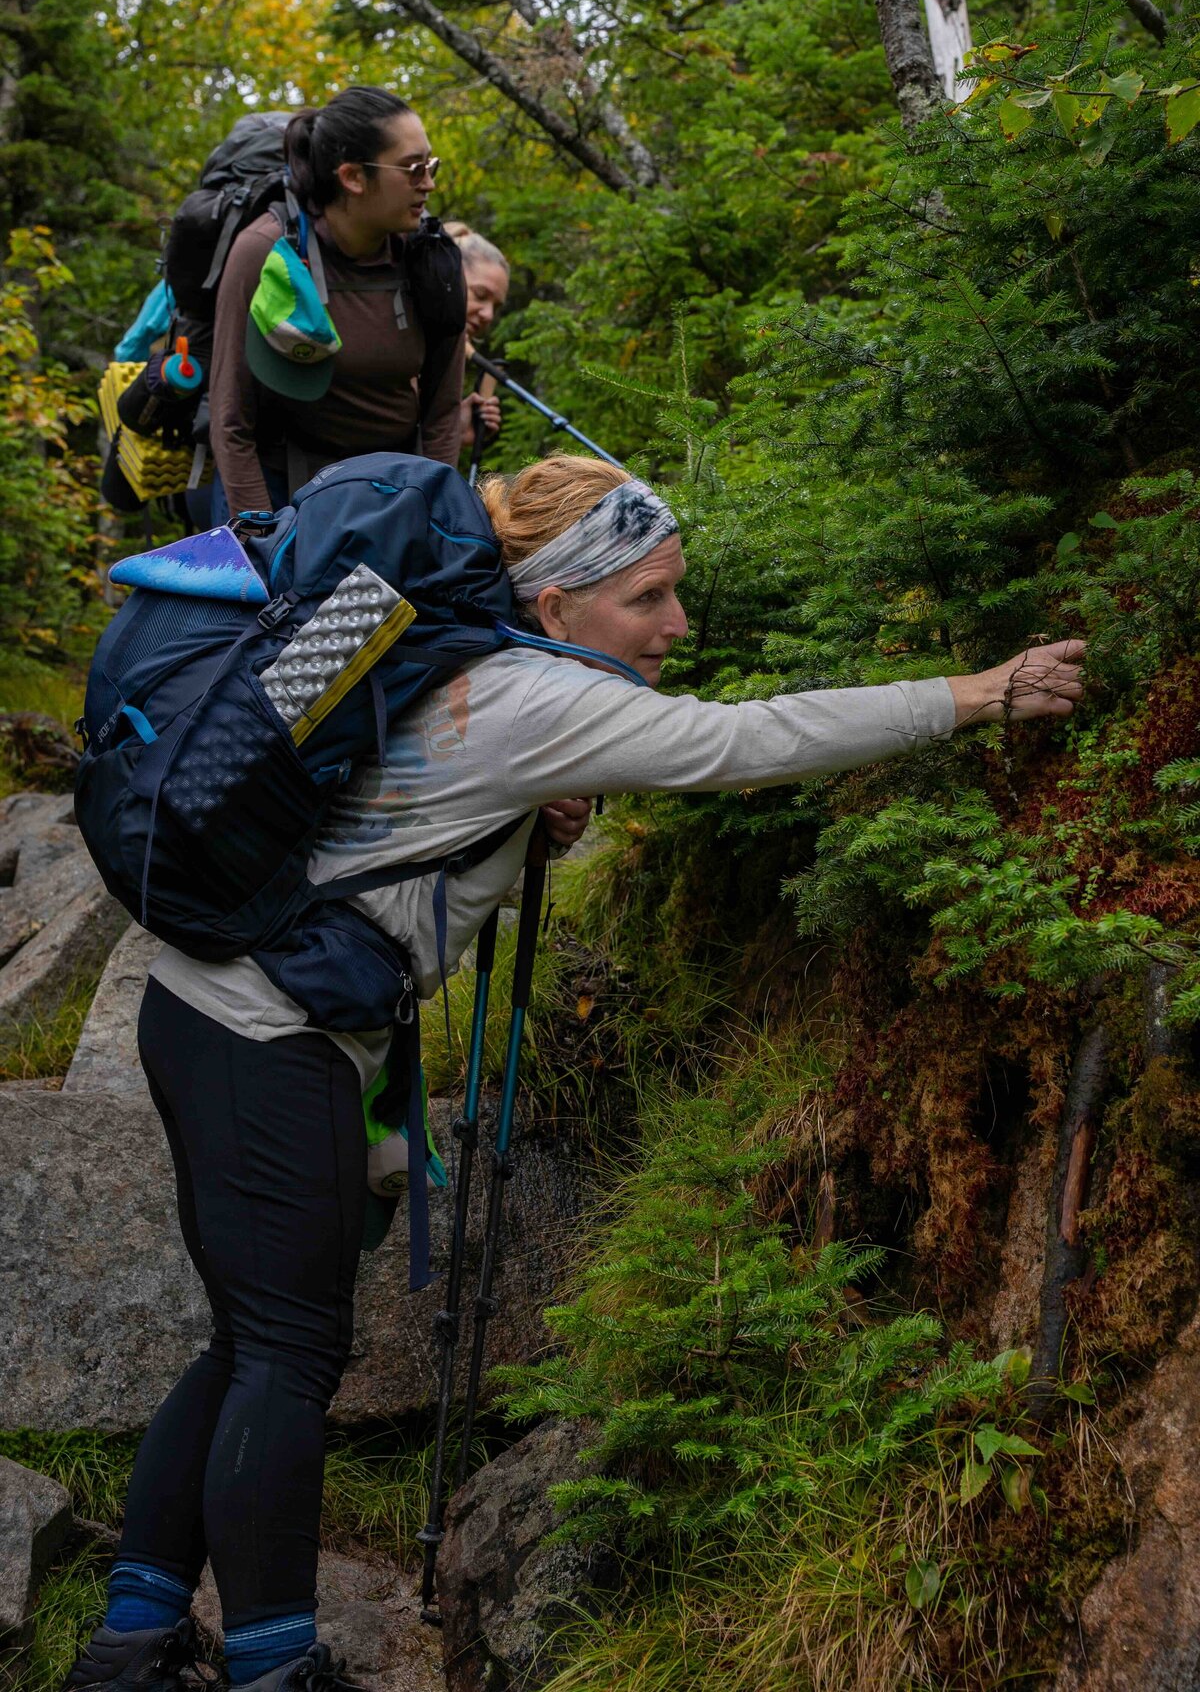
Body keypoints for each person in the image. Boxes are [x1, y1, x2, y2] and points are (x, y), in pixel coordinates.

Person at [64, 454, 1085, 1692]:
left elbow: (395, 805)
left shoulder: (459, 653)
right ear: (556, 604)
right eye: (649, 597)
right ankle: (275, 1667)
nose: (677, 625)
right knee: (286, 1353)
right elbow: (748, 742)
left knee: (250, 1343)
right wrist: (979, 693)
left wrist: (516, 816)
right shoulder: (534, 690)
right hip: (264, 1041)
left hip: (217, 1016)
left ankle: (132, 1644)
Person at [204, 86, 466, 525]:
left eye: (430, 164)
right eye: (413, 168)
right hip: (280, 485)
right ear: (353, 177)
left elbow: (442, 412)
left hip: (393, 488)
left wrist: (435, 513)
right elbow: (231, 422)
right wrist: (263, 538)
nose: (429, 182)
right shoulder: (265, 253)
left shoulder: (430, 261)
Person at [443, 224, 510, 454]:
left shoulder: (449, 356)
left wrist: (456, 430)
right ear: (447, 277)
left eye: (496, 307)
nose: (488, 315)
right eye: (480, 295)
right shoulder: (407, 347)